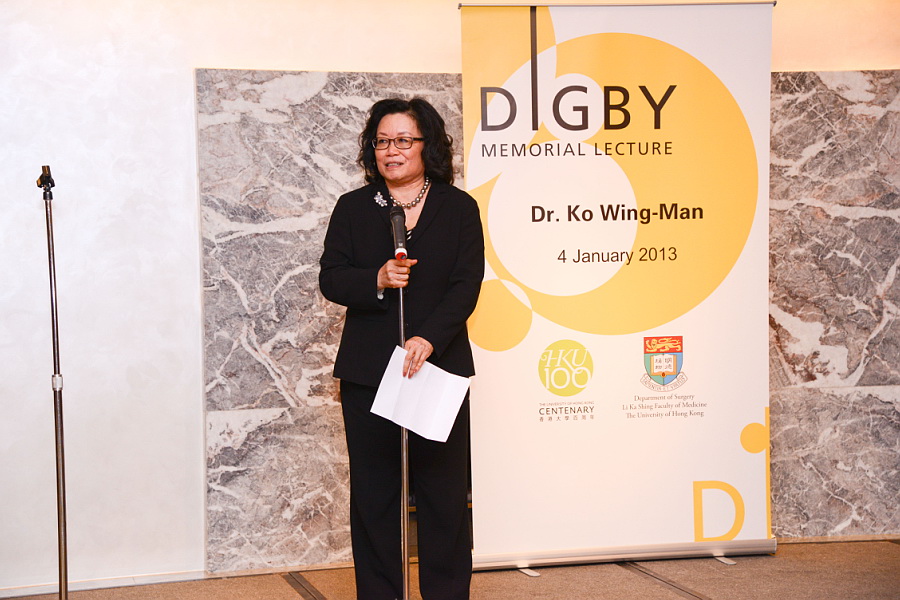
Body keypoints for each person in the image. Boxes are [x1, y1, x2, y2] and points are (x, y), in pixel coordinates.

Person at [319, 97, 485, 600]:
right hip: (370, 371)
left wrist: (429, 337)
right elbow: (331, 277)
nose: (392, 151)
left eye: (403, 140)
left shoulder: (459, 208)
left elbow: (466, 285)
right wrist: (376, 277)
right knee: (375, 496)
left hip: (438, 366)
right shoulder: (353, 207)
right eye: (382, 141)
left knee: (444, 495)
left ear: (426, 145)